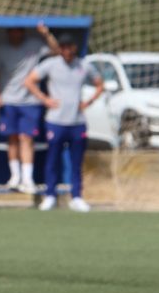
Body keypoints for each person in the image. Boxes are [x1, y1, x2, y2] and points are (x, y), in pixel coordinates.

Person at [24, 34, 104, 212]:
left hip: (77, 122)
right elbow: (29, 81)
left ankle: (76, 197)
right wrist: (45, 99)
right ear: (60, 48)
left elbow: (100, 84)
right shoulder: (51, 64)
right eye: (63, 47)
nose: (67, 50)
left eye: (70, 47)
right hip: (55, 121)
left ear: (75, 48)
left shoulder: (84, 66)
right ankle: (50, 196)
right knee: (52, 160)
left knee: (77, 162)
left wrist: (88, 102)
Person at [0, 23, 60, 193]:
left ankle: (27, 179)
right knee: (12, 139)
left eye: (18, 31)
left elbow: (57, 51)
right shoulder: (1, 50)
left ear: (22, 32)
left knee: (27, 139)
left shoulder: (35, 45)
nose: (15, 34)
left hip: (31, 102)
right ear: (8, 33)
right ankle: (14, 177)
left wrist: (46, 34)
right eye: (12, 31)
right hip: (8, 100)